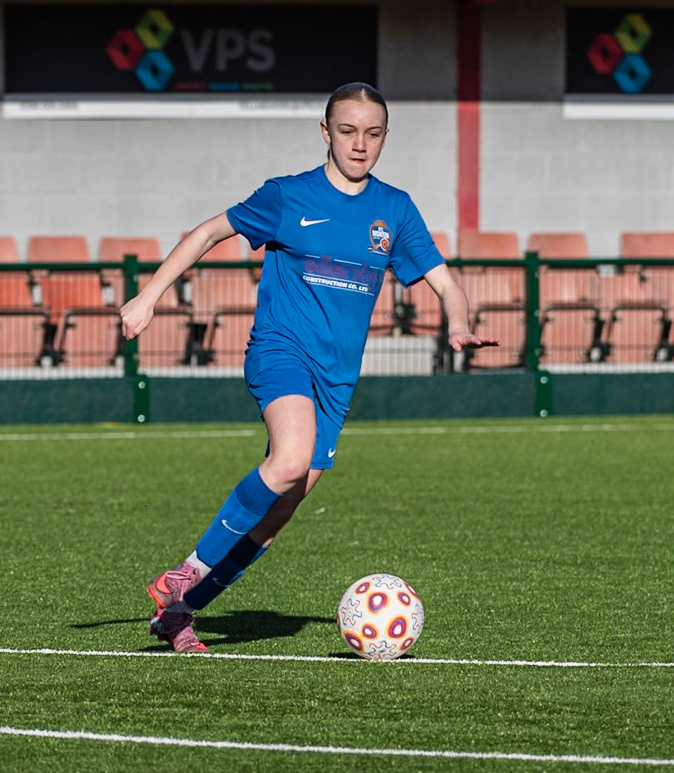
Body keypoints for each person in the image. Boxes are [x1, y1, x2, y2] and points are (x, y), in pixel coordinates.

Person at [120, 82, 498, 654]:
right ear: (326, 132)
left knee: (279, 512)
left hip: (337, 378)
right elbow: (208, 232)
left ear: (385, 138)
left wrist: (458, 323)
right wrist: (148, 297)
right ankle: (187, 571)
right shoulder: (286, 196)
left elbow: (446, 283)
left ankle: (179, 614)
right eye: (347, 131)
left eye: (372, 134)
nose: (360, 144)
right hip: (281, 351)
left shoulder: (395, 209)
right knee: (290, 459)